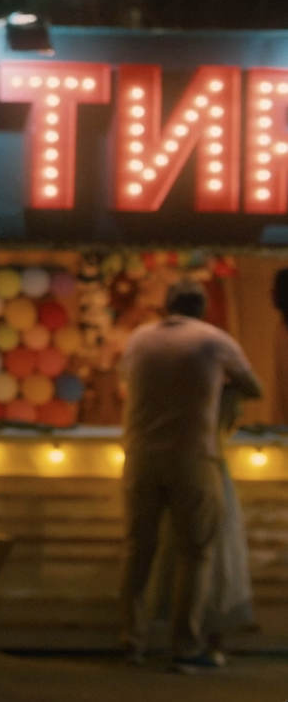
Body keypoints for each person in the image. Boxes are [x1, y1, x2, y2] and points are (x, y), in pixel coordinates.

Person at [118, 279, 261, 674]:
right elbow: (254, 388)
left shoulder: (139, 339)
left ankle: (132, 643)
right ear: (203, 309)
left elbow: (127, 379)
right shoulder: (215, 341)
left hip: (139, 455)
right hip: (193, 457)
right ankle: (186, 647)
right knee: (195, 554)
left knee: (137, 551)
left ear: (167, 306)